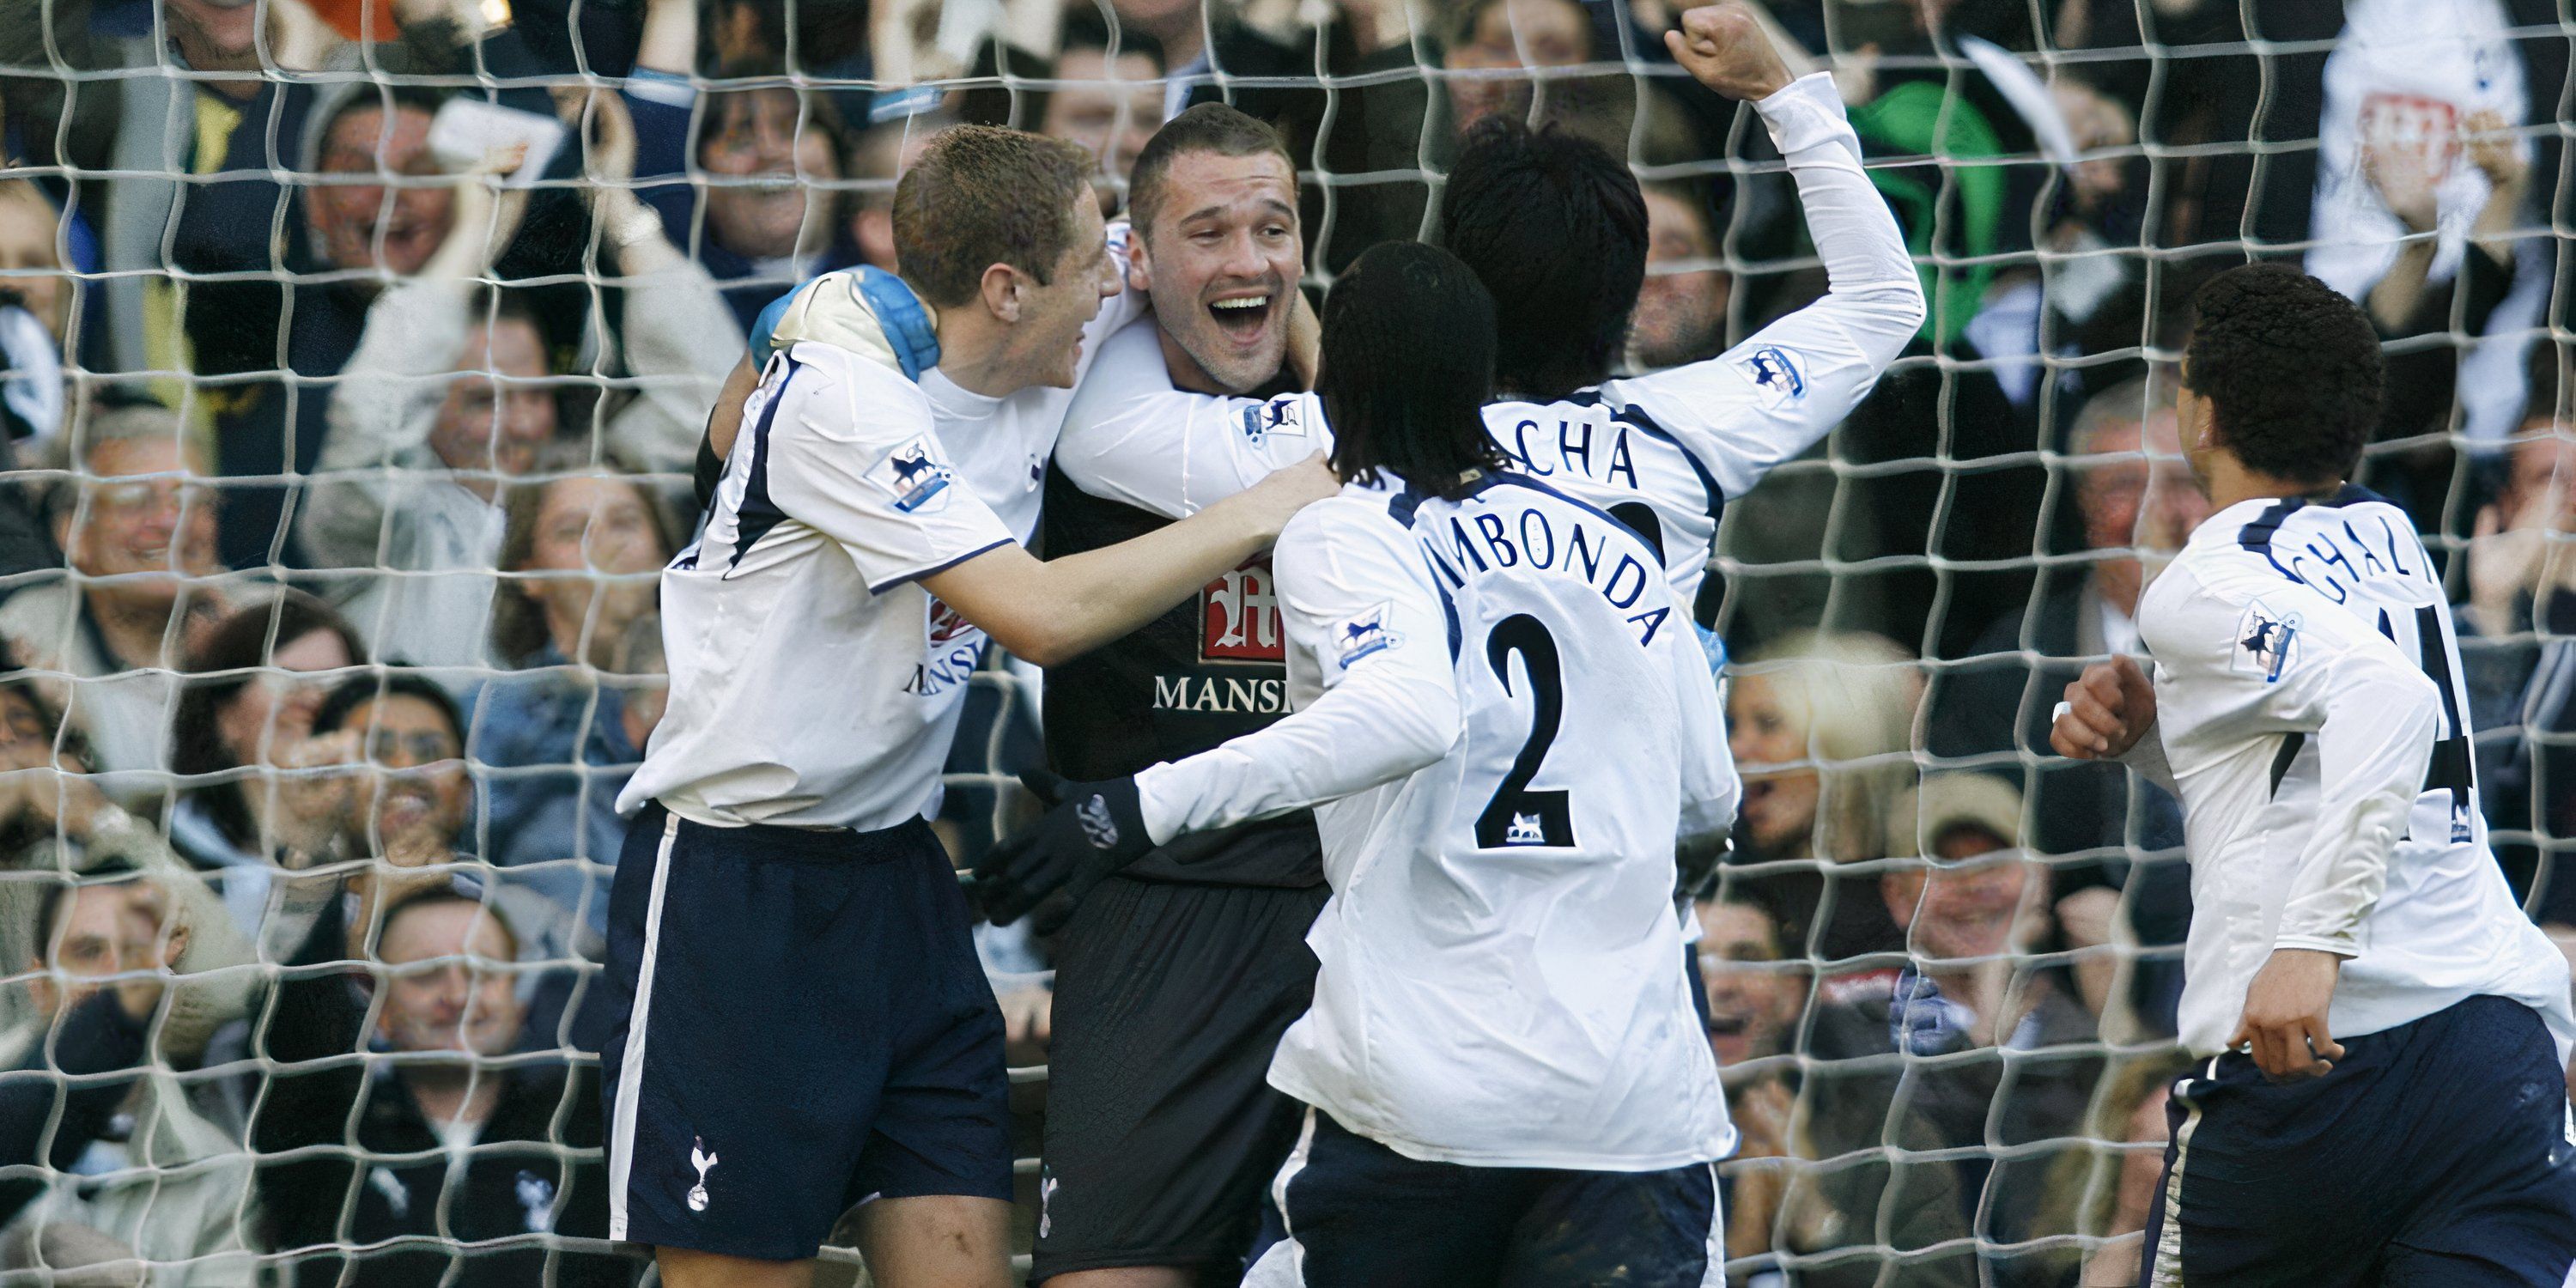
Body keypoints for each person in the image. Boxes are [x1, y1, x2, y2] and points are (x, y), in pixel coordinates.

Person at [598, 125, 1336, 1288]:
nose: (1116, 288)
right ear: (1007, 288)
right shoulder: (851, 396)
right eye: (1097, 269)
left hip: (902, 882)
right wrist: (1286, 497)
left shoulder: (1042, 356)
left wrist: (1305, 338)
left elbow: (1227, 273)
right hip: (739, 890)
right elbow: (1036, 618)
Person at [982, 238, 1737, 1283]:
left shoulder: (1347, 530)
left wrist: (1139, 806)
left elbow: (1407, 712)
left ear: (1332, 384)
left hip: (1429, 1086)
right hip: (1628, 1100)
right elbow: (1708, 800)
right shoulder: (1620, 548)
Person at [2052, 262, 2576, 1284]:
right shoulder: (2386, 533)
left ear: (2199, 417)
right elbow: (2331, 767)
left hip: (2318, 1068)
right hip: (2487, 1057)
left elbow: (2390, 707)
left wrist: (2309, 946)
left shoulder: (2205, 578)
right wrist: (2166, 736)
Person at [253, 887, 637, 1287]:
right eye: (426, 973)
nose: (457, 995)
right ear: (380, 1010)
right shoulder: (328, 1142)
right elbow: (290, 1031)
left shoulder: (587, 1133)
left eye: (483, 970)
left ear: (517, 999)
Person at [0, 865, 261, 1285]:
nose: (115, 977)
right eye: (88, 952)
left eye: (135, 955)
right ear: (39, 983)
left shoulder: (222, 1177)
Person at [1, 400, 237, 791]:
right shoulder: (24, 640)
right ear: (74, 534)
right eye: (134, 499)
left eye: (190, 499)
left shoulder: (275, 625)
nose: (168, 521)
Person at [166, 592, 370, 941]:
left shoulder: (379, 847)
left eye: (336, 685)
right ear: (224, 716)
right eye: (287, 680)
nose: (313, 701)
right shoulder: (164, 851)